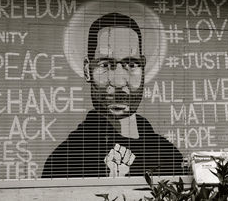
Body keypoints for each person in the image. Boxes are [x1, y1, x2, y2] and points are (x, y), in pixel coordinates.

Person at [42, 12, 183, 178]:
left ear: (143, 69)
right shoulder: (65, 159)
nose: (119, 82)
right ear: (87, 70)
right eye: (106, 65)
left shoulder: (167, 155)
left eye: (131, 64)